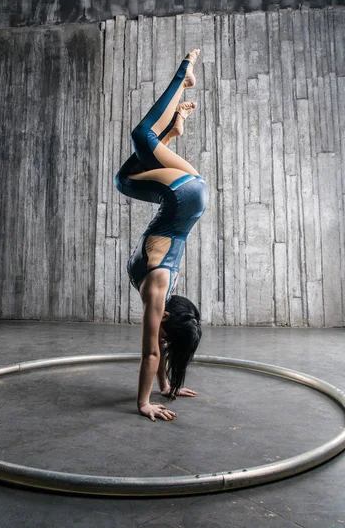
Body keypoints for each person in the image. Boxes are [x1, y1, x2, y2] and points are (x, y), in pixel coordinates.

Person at [114, 49, 209, 422]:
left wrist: (167, 389)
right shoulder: (157, 287)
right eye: (166, 332)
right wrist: (143, 403)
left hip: (184, 198)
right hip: (184, 196)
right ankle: (184, 73)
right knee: (141, 135)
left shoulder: (162, 294)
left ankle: (172, 131)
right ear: (166, 314)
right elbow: (151, 353)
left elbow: (161, 348)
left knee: (123, 180)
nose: (160, 338)